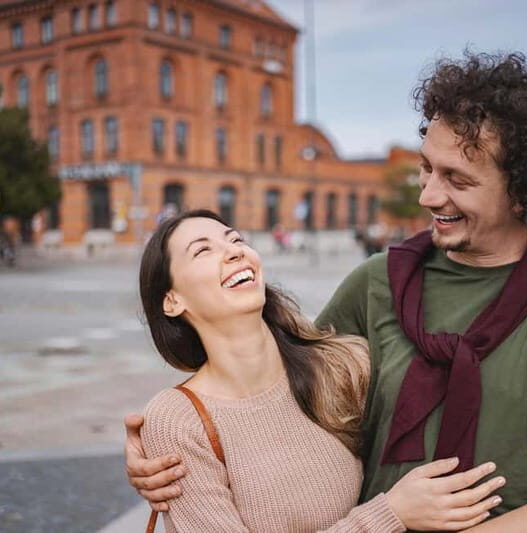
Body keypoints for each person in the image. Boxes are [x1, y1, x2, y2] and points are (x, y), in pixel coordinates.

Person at [126, 51, 527, 531]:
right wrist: (171, 453)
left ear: (522, 189)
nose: (428, 194)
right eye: (427, 167)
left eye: (457, 179)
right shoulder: (378, 281)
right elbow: (277, 401)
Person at [134, 209, 504, 532]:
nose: (234, 251)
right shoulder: (177, 421)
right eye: (203, 250)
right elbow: (387, 510)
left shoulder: (337, 367)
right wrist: (391, 513)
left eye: (236, 240)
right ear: (171, 300)